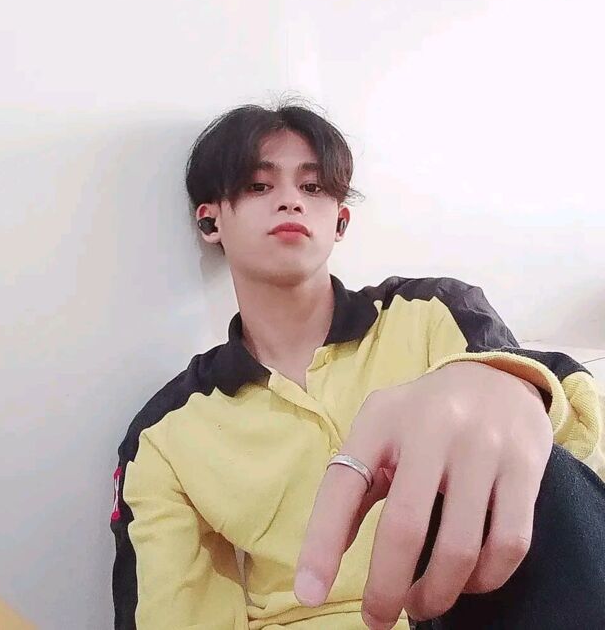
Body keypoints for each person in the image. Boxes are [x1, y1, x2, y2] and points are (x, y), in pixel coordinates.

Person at [111, 96, 605, 629]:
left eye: (312, 187)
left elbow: (580, 467)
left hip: (463, 609)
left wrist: (517, 391)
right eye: (258, 186)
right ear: (210, 221)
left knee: (535, 462)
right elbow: (172, 612)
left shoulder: (432, 313)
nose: (290, 201)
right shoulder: (165, 431)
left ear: (340, 222)